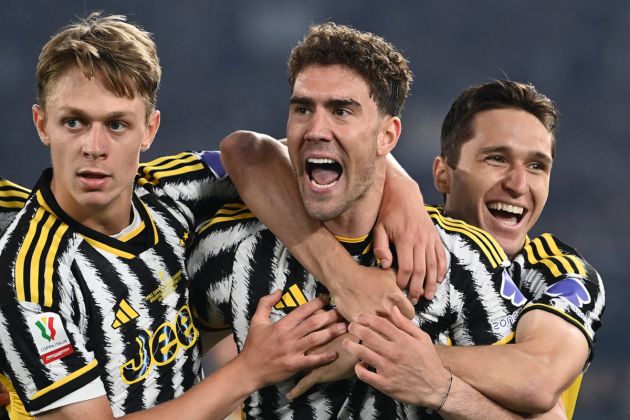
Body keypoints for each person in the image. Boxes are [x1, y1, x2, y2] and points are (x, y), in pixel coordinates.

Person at [0, 12, 448, 418]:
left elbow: (259, 151)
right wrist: (250, 370)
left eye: (117, 124)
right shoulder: (26, 271)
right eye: (73, 122)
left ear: (149, 129)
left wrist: (401, 192)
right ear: (42, 124)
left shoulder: (170, 191)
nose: (94, 147)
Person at [190, 23, 534, 419]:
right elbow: (160, 376)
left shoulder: (458, 258)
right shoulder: (232, 248)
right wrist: (245, 372)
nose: (316, 129)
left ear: (387, 136)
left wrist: (440, 388)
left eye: (341, 111)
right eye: (303, 109)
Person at [344, 80, 604, 418]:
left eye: (537, 166)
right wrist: (397, 183)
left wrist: (399, 358)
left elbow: (538, 379)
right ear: (443, 175)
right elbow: (266, 155)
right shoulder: (398, 234)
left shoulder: (559, 273)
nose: (517, 184)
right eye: (497, 159)